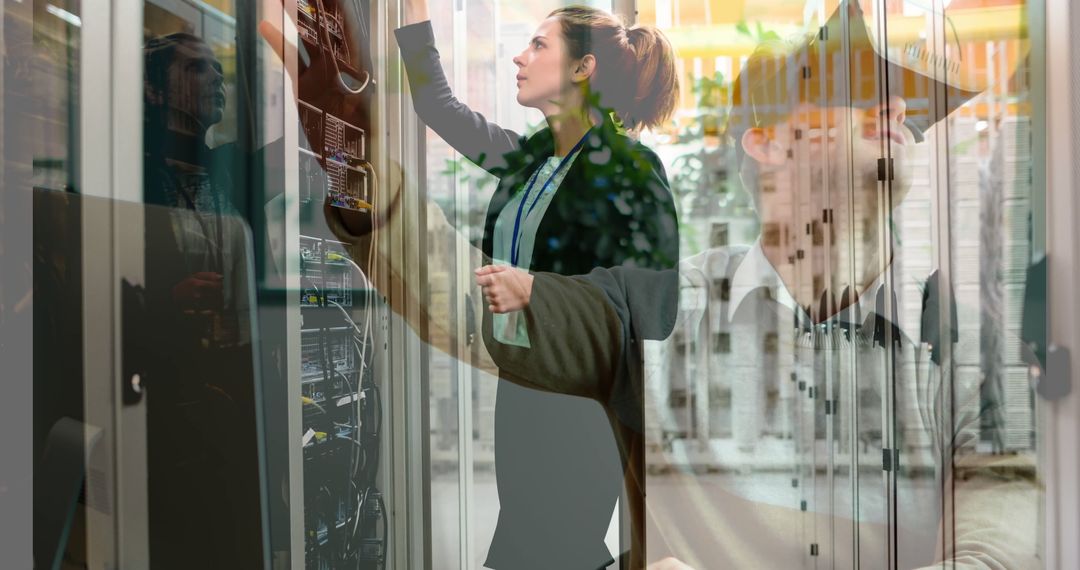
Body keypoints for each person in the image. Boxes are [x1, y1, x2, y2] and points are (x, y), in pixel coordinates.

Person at [475, 1, 1041, 568]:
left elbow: (999, 544)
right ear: (767, 142)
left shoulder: (963, 340)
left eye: (900, 105)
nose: (895, 110)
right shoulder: (668, 303)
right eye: (856, 95)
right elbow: (492, 304)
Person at [388, 3, 681, 568]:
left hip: (582, 402)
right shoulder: (530, 160)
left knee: (551, 546)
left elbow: (655, 299)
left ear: (582, 68)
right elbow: (437, 106)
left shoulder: (632, 169)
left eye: (539, 45)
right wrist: (413, 12)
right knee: (535, 543)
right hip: (523, 382)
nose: (520, 57)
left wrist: (537, 292)